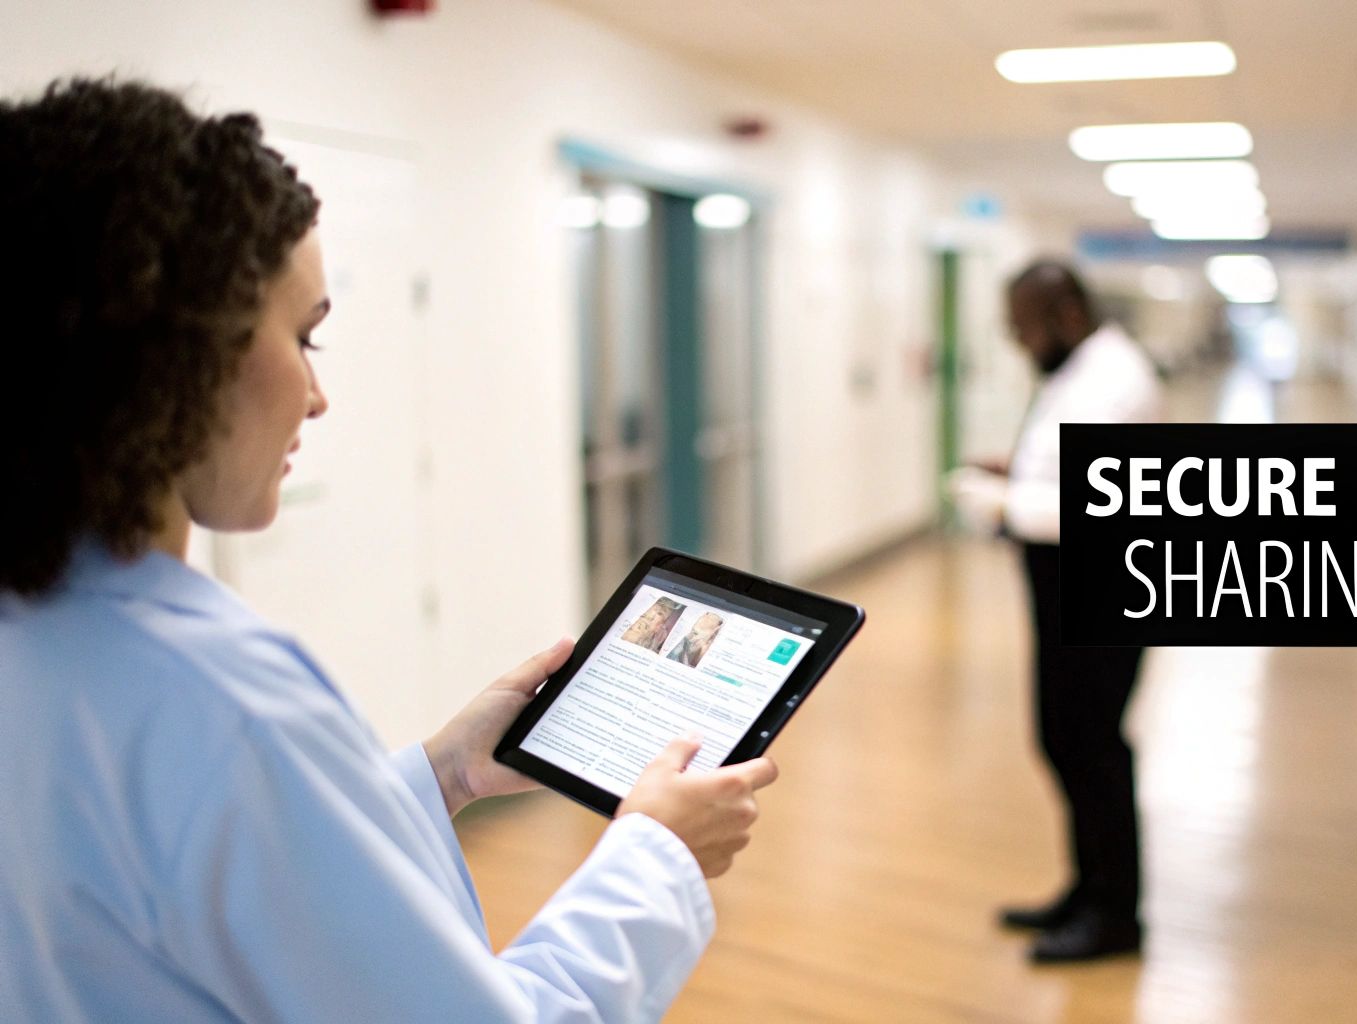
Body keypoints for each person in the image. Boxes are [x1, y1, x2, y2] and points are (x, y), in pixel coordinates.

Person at [0, 78, 777, 1022]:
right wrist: (659, 853)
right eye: (302, 336)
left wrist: (444, 773)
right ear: (178, 355)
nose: (315, 398)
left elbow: (212, 890)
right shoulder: (224, 703)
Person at [950, 260, 1162, 963]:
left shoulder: (1116, 377)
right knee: (1064, 739)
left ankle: (1115, 916)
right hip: (1065, 579)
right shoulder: (1080, 371)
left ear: (1066, 315)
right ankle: (1087, 887)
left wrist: (1005, 506)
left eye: (1024, 327)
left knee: (1092, 747)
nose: (1019, 342)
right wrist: (1016, 473)